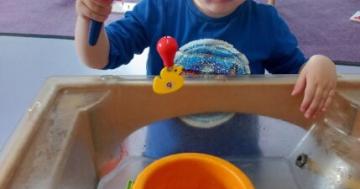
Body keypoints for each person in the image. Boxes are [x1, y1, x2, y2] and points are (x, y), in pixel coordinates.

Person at [75, 0, 337, 119]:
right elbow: (99, 58)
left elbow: (296, 76)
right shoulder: (158, 8)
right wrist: (89, 17)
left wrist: (319, 63)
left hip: (240, 144)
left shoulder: (266, 22)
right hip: (168, 134)